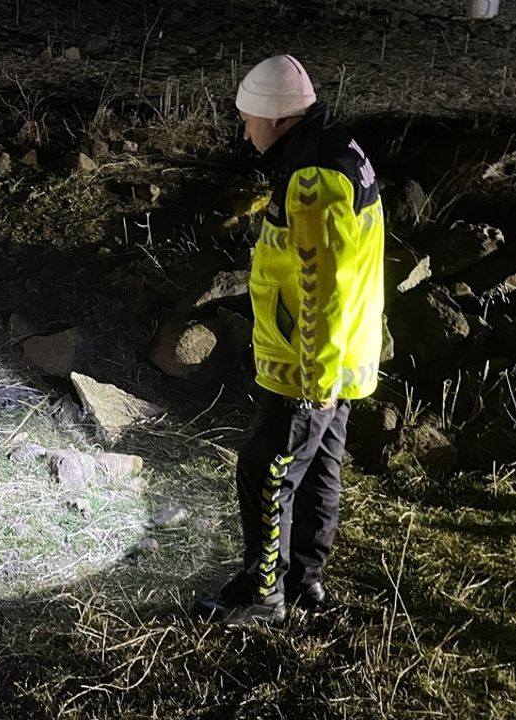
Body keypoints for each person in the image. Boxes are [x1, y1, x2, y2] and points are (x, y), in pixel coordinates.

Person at [197, 55, 385, 625]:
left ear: (278, 119)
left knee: (265, 467)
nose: (245, 129)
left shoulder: (312, 182)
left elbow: (325, 285)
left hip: (310, 364)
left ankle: (264, 595)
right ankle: (305, 581)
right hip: (343, 353)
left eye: (250, 118)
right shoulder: (340, 149)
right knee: (320, 466)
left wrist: (315, 380)